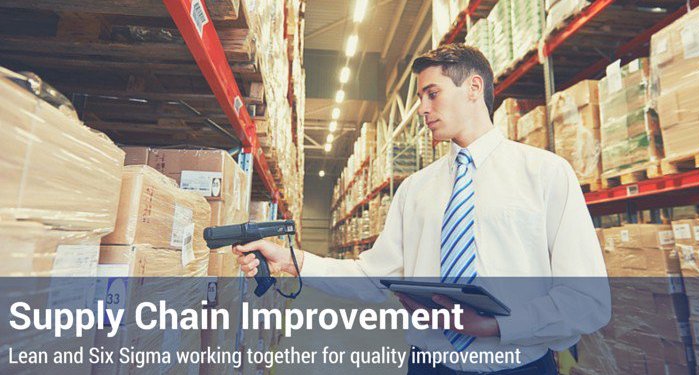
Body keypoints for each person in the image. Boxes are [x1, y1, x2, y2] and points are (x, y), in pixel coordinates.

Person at [233, 44, 610, 374]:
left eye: (432, 94)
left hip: (518, 367)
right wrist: (289, 260)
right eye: (419, 98)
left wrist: (494, 326)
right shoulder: (415, 191)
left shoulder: (545, 174)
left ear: (474, 88)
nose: (422, 109)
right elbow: (371, 276)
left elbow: (587, 299)